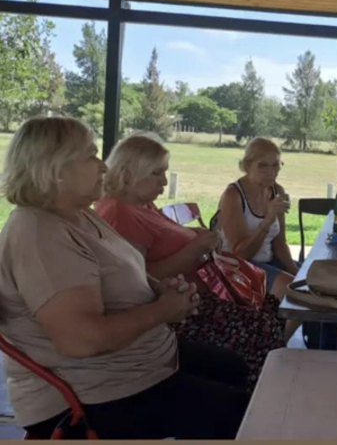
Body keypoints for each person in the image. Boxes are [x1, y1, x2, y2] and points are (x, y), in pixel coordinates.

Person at [0, 117, 250, 439]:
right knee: (250, 416)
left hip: (134, 365)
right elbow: (82, 339)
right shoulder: (40, 234)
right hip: (92, 394)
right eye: (91, 156)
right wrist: (162, 310)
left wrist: (160, 290)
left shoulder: (79, 215)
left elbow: (121, 272)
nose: (104, 166)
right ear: (56, 169)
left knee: (233, 368)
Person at [95, 133, 286, 387]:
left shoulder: (142, 204)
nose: (165, 181)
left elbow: (161, 239)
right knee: (263, 327)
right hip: (181, 311)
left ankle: (264, 391)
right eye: (156, 173)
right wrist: (196, 247)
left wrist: (195, 236)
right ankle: (256, 397)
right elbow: (139, 280)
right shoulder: (120, 213)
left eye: (165, 172)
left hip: (203, 291)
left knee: (272, 309)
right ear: (128, 174)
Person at [217, 137, 298, 301]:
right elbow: (240, 254)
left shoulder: (277, 191)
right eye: (263, 165)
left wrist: (297, 273)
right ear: (247, 166)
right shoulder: (233, 196)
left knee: (315, 280)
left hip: (268, 261)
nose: (271, 172)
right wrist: (267, 221)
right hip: (236, 267)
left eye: (276, 165)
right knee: (292, 290)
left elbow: (280, 245)